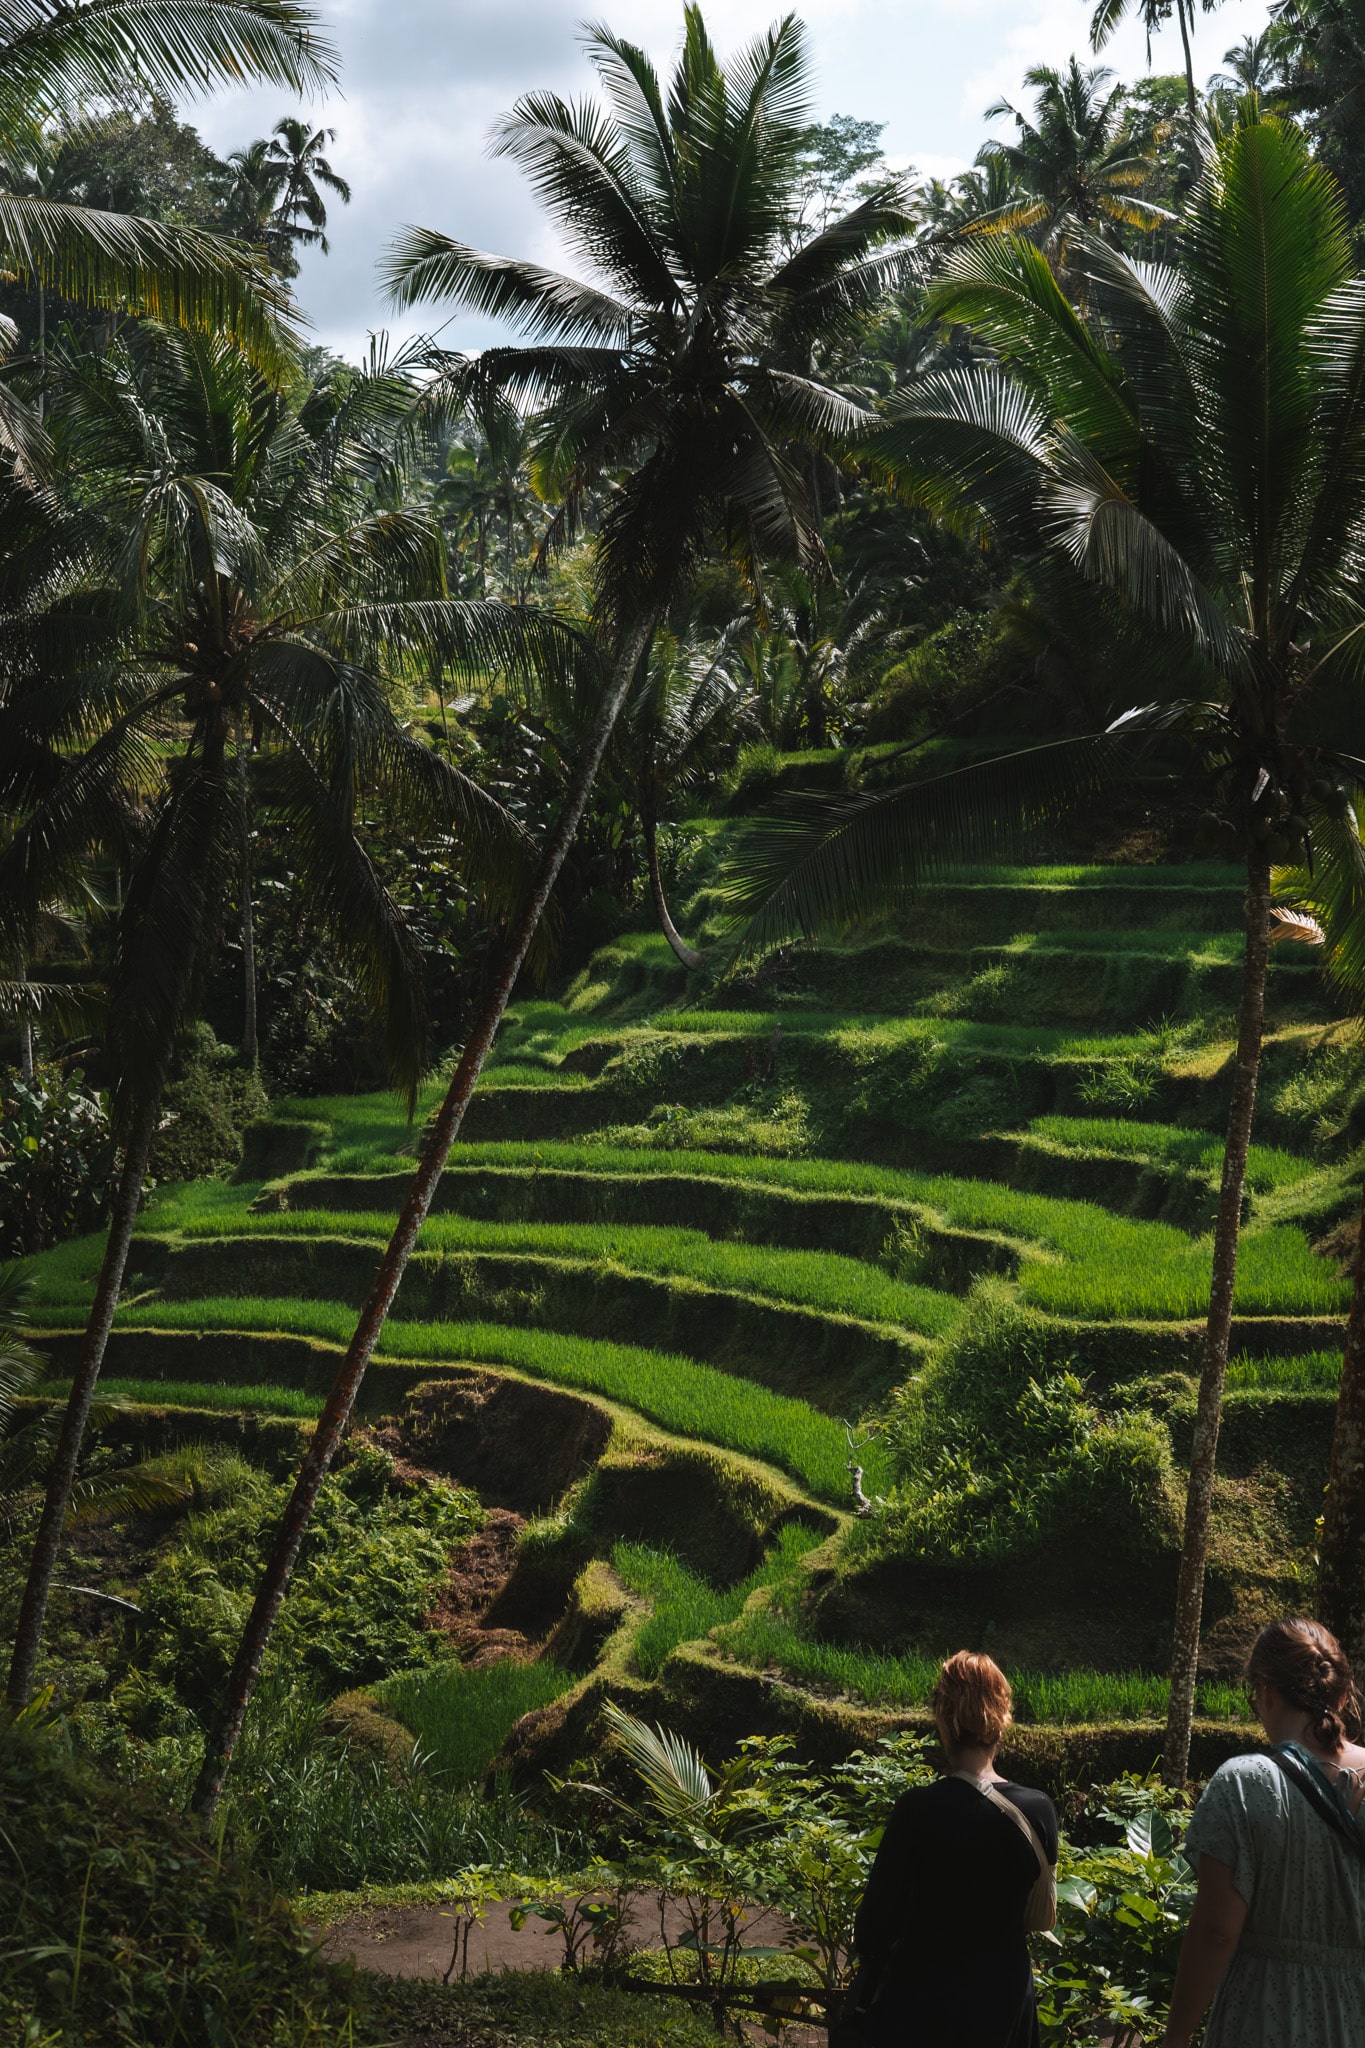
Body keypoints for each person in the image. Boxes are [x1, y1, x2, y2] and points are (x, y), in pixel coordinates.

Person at [1159, 1616, 1365, 2048]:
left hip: (1262, 2014)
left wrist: (1176, 2037)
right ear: (1344, 1696)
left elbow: (1217, 1931)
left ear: (1265, 1693)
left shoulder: (1243, 1783)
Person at [851, 1649, 1058, 2047]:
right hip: (1003, 2002)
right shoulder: (1037, 1811)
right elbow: (1038, 1918)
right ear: (1001, 1719)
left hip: (918, 2005)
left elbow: (872, 1929)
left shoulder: (917, 1810)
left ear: (943, 1721)